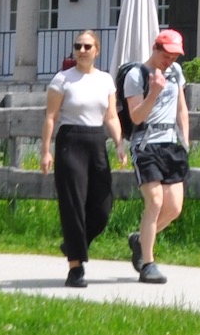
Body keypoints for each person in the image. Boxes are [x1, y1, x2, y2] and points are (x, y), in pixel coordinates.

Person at [39, 30, 122, 287]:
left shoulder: (106, 80)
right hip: (70, 141)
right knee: (73, 202)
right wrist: (45, 150)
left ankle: (74, 244)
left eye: (87, 46)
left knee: (102, 204)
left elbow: (111, 116)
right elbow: (51, 116)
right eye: (78, 46)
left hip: (96, 141)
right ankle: (75, 267)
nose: (82, 50)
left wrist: (119, 144)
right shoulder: (62, 79)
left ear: (97, 50)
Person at [122, 29, 190, 284]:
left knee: (174, 208)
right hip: (146, 144)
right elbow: (136, 117)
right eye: (167, 54)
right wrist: (153, 93)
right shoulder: (135, 75)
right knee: (156, 202)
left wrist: (186, 140)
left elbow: (181, 108)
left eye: (175, 55)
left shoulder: (176, 73)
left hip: (171, 144)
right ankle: (148, 264)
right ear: (156, 49)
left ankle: (140, 240)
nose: (170, 60)